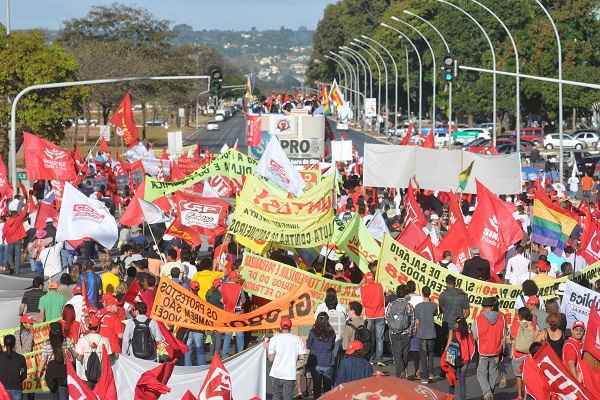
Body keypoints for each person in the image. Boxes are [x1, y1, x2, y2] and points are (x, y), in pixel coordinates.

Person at [472, 297, 505, 400]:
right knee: (493, 373)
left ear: (484, 307)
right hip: (496, 350)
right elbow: (503, 335)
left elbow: (475, 336)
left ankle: (487, 393)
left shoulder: (478, 319)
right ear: (492, 307)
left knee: (481, 373)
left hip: (483, 351)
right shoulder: (501, 318)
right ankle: (490, 392)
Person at [267, 316, 306, 400]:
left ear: (280, 327)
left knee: (276, 397)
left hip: (276, 373)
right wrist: (294, 367)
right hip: (289, 375)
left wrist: (267, 348)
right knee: (287, 397)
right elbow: (302, 359)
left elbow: (270, 359)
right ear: (291, 326)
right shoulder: (297, 339)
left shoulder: (274, 339)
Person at [385, 285, 415, 379]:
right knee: (405, 354)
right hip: (405, 333)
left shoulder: (391, 304)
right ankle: (402, 371)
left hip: (394, 333)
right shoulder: (408, 305)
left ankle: (399, 374)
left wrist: (392, 327)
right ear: (406, 294)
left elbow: (386, 317)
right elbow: (413, 319)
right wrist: (410, 331)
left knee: (397, 354)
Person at [74, 314, 111, 388]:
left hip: (86, 376)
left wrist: (73, 351)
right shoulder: (105, 340)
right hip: (101, 376)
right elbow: (109, 358)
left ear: (88, 327)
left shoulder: (82, 340)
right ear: (98, 327)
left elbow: (79, 358)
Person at [438, 275, 469, 360]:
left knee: (446, 346)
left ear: (446, 283)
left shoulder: (443, 295)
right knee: (458, 346)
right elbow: (467, 312)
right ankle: (455, 367)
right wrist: (460, 320)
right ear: (455, 283)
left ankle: (447, 367)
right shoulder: (462, 295)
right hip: (458, 324)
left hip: (446, 323)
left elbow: (441, 309)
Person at [444, 317, 475, 400]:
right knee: (462, 382)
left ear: (458, 324)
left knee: (452, 380)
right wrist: (469, 358)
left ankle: (450, 397)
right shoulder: (468, 334)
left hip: (454, 360)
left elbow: (449, 345)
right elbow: (472, 347)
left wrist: (445, 354)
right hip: (465, 360)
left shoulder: (454, 333)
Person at [315, 288, 347, 368]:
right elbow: (345, 323)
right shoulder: (342, 311)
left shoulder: (321, 309)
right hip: (338, 342)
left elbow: (316, 321)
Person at [359, 271, 385, 366]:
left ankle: (369, 357)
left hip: (369, 315)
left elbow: (358, 294)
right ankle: (379, 359)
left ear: (365, 279)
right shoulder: (380, 286)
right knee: (380, 338)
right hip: (380, 314)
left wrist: (362, 282)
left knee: (368, 338)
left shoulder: (363, 288)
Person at [306, 312, 335, 398]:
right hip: (328, 362)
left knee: (316, 388)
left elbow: (308, 345)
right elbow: (332, 346)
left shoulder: (312, 332)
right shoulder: (332, 332)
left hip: (316, 363)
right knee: (328, 389)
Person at [511, 307, 537, 400]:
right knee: (526, 377)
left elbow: (513, 336)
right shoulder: (533, 324)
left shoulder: (517, 324)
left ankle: (519, 395)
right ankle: (526, 396)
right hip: (528, 355)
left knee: (518, 376)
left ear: (520, 315)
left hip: (517, 354)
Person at [415, 286, 437, 384]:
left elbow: (417, 322)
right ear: (430, 293)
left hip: (422, 333)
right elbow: (435, 314)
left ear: (422, 294)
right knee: (431, 354)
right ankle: (431, 374)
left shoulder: (418, 306)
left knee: (423, 356)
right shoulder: (434, 305)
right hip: (431, 333)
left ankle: (424, 377)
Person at [221, 271, 246, 356]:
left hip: (227, 313)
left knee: (228, 335)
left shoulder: (223, 286)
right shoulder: (239, 287)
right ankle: (240, 354)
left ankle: (225, 354)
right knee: (239, 335)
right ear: (235, 278)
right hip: (238, 314)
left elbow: (222, 300)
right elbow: (244, 300)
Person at [0, 335, 27, 400]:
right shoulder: (21, 358)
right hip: (16, 388)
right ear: (15, 344)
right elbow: (24, 375)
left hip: (2, 390)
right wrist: (18, 381)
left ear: (4, 344)